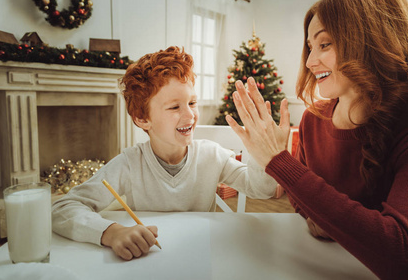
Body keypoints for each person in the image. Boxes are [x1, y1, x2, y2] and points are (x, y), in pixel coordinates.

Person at [226, 0, 408, 279]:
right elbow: (302, 200)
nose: (309, 61)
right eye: (309, 46)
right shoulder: (313, 121)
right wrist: (316, 216)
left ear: (370, 41)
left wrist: (280, 162)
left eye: (325, 44)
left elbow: (402, 258)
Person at [52, 46, 277, 261]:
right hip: (149, 259)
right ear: (143, 119)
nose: (190, 115)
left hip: (200, 254)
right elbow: (62, 209)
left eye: (192, 102)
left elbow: (262, 189)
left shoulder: (212, 155)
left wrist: (263, 155)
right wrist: (111, 232)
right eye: (174, 107)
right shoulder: (130, 164)